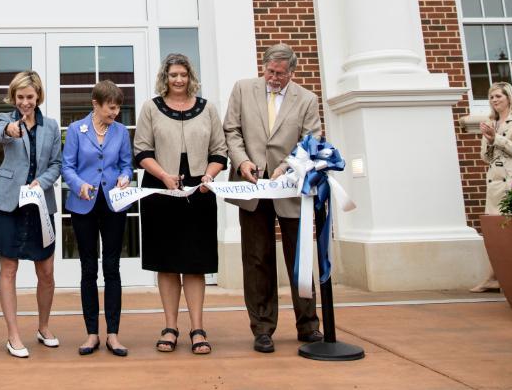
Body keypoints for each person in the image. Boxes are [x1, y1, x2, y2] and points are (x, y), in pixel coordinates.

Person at [223, 43, 322, 354]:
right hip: (251, 186)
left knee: (300, 258)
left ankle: (308, 325)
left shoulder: (307, 99)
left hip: (290, 188)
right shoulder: (242, 89)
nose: (274, 77)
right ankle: (263, 329)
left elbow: (312, 140)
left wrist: (285, 167)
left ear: (291, 72)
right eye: (269, 71)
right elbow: (232, 130)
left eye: (280, 73)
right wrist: (242, 162)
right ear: (262, 66)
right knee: (257, 259)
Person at [135, 53, 227, 355]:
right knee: (167, 262)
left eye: (183, 75)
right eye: (173, 75)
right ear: (165, 77)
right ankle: (170, 327)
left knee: (195, 262)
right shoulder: (151, 108)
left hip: (199, 193)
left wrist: (207, 177)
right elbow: (141, 150)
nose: (178, 80)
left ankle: (197, 328)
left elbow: (220, 152)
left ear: (190, 77)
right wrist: (164, 176)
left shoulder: (208, 108)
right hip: (161, 192)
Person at [0, 71, 63, 359]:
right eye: (20, 97)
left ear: (38, 96)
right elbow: (0, 134)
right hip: (8, 205)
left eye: (30, 97)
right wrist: (11, 131)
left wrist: (40, 184)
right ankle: (13, 334)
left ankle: (43, 327)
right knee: (9, 269)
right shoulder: (6, 120)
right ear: (13, 97)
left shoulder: (52, 126)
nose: (25, 103)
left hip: (40, 204)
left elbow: (56, 164)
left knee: (46, 272)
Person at [62, 80, 133, 358]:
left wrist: (126, 176)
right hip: (83, 205)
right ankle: (92, 333)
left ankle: (113, 334)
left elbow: (126, 163)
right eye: (110, 108)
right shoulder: (76, 130)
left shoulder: (121, 132)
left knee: (112, 268)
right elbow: (67, 166)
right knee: (88, 268)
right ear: (96, 104)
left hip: (114, 205)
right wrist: (78, 184)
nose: (114, 113)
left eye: (117, 108)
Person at [470, 80, 512, 293]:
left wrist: (496, 139)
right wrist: (489, 140)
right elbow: (485, 157)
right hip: (495, 183)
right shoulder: (492, 122)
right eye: (491, 97)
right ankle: (494, 278)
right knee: (495, 233)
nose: (494, 100)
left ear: (509, 97)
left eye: (498, 96)